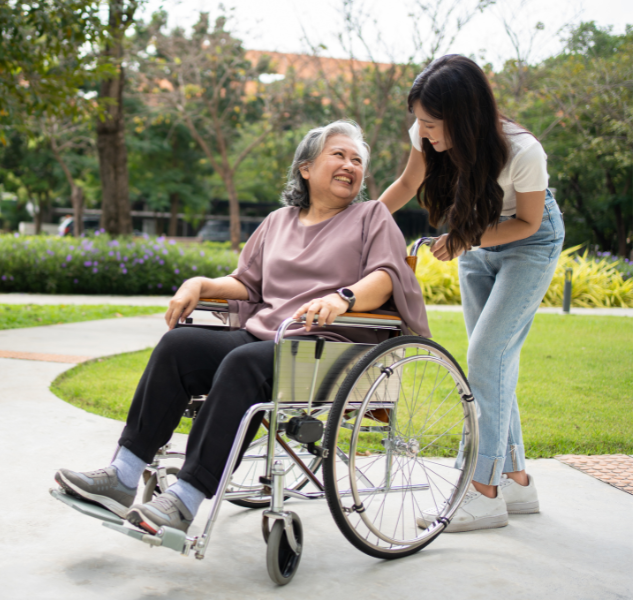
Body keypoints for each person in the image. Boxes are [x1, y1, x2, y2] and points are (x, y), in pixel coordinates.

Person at [55, 120, 430, 534]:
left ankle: (184, 499)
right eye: (338, 155)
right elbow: (246, 283)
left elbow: (385, 277)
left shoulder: (370, 216)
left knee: (243, 362)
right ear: (305, 168)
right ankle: (124, 476)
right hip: (265, 338)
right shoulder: (277, 221)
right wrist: (200, 283)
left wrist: (341, 297)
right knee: (177, 346)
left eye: (357, 160)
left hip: (329, 346)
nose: (350, 165)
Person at [378, 55, 565, 532]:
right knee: (494, 363)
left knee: (485, 356)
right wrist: (360, 221)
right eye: (418, 120)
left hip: (529, 243)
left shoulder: (524, 151)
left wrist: (465, 238)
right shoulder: (425, 133)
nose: (424, 132)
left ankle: (482, 493)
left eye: (432, 123)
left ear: (463, 117)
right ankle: (517, 480)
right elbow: (408, 182)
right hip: (475, 238)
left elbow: (526, 222)